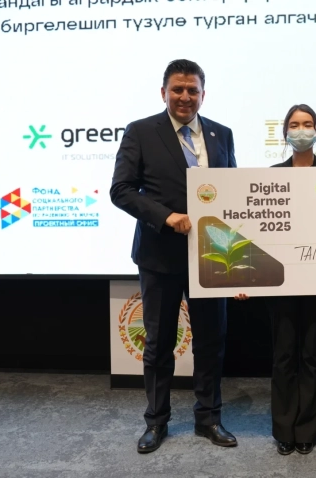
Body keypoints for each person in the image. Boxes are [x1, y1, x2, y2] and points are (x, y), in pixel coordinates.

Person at [110, 59, 238, 454]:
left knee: (211, 342)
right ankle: (156, 421)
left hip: (213, 254)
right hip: (160, 256)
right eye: (177, 89)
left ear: (203, 94)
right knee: (159, 343)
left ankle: (209, 417)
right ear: (163, 92)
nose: (185, 97)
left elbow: (232, 191)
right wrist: (165, 216)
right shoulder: (141, 131)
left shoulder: (221, 134)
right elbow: (121, 190)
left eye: (192, 90)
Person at [235, 104, 316, 456]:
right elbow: (256, 230)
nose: (301, 130)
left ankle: (306, 430)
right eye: (294, 125)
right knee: (283, 357)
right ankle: (283, 430)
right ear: (285, 133)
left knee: (312, 357)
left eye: (307, 124)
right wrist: (241, 278)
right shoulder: (272, 176)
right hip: (280, 281)